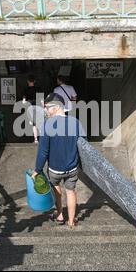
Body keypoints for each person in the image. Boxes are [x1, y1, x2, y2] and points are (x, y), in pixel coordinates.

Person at [31, 93, 86, 228]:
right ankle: (72, 221)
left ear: (56, 108)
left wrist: (37, 170)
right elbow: (84, 146)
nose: (46, 111)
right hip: (72, 168)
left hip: (55, 169)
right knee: (71, 191)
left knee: (56, 189)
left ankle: (60, 214)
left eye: (48, 108)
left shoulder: (48, 125)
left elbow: (43, 151)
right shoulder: (75, 122)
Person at [23, 74, 43, 143]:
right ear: (34, 81)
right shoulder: (39, 89)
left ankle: (36, 139)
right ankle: (42, 138)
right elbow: (41, 100)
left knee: (34, 124)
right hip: (38, 107)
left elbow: (24, 101)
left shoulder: (26, 90)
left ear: (28, 81)